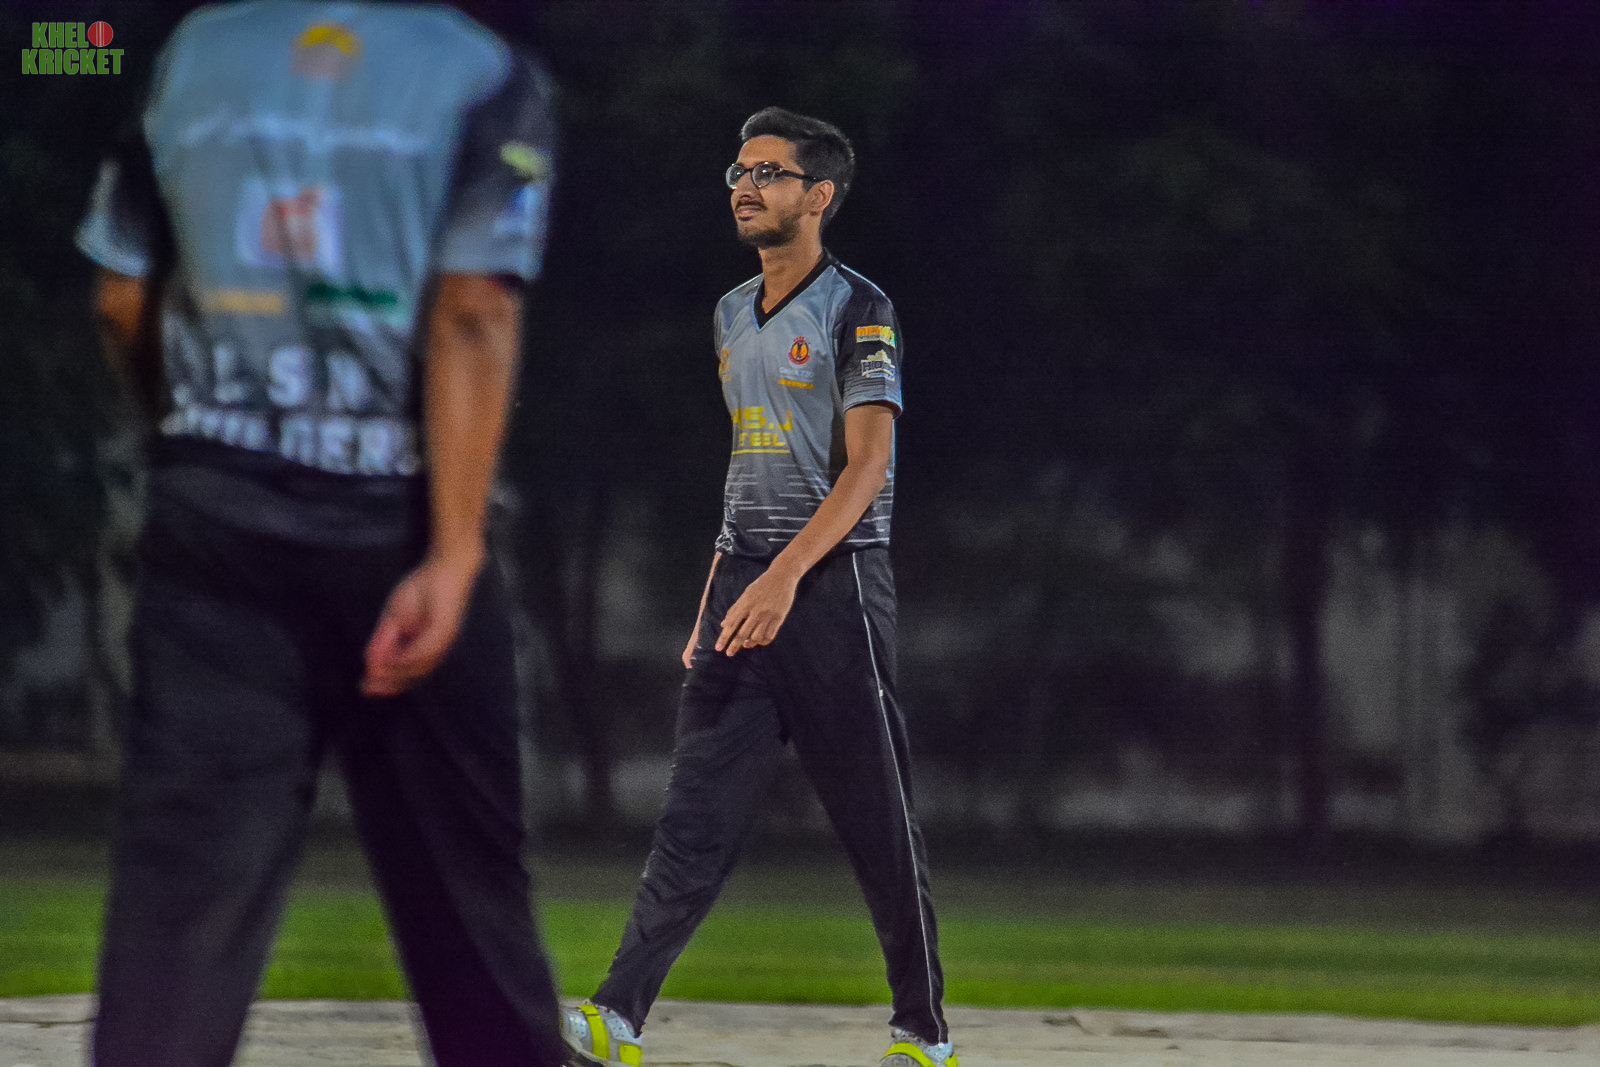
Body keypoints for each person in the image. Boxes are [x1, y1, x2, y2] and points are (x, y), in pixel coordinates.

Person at [75, 3, 568, 1064]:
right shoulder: (481, 74)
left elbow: (121, 297)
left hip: (213, 530)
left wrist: (189, 439)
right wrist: (454, 550)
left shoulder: (197, 53)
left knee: (176, 919)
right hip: (394, 532)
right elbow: (473, 309)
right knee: (467, 913)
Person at [560, 107, 956, 1067]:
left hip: (833, 590)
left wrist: (785, 577)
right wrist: (717, 595)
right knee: (692, 819)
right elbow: (749, 468)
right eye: (739, 171)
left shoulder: (860, 308)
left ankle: (924, 1033)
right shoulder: (732, 312)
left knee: (878, 823)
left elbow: (867, 468)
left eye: (769, 172)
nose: (746, 186)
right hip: (747, 586)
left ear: (818, 196)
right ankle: (616, 1017)